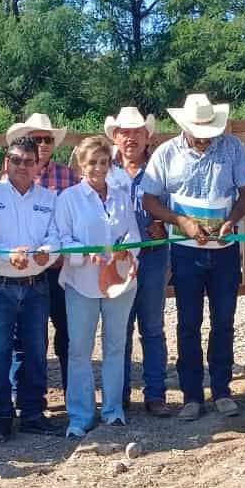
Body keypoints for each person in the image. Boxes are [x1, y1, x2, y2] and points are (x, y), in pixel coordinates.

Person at [142, 93, 245, 421]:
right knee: (188, 323)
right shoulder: (166, 153)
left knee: (224, 321)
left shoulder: (233, 147)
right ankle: (192, 394)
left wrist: (232, 220)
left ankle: (221, 388)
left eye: (209, 130)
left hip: (224, 250)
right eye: (200, 130)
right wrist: (179, 221)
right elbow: (149, 199)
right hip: (184, 251)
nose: (205, 136)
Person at [0, 136, 62, 442]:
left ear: (38, 164)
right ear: (5, 163)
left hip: (36, 285)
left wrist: (46, 252)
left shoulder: (49, 198)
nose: (22, 166)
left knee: (36, 351)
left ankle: (32, 414)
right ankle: (1, 416)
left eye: (28, 161)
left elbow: (57, 237)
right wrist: (8, 253)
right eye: (16, 160)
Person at [55, 136, 140, 437]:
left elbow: (133, 234)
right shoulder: (68, 199)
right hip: (82, 282)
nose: (98, 168)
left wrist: (126, 251)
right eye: (92, 163)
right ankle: (80, 416)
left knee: (116, 346)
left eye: (103, 162)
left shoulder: (121, 195)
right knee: (79, 349)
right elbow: (62, 238)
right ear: (81, 164)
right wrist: (83, 252)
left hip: (119, 282)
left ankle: (113, 410)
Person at [4, 113, 76, 392]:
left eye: (47, 139)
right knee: (23, 337)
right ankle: (24, 396)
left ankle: (72, 392)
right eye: (37, 139)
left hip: (59, 268)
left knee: (66, 332)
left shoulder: (69, 176)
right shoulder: (7, 180)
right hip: (23, 269)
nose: (43, 143)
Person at [106, 106, 171, 417]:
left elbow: (177, 203)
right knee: (120, 326)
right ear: (115, 137)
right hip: (117, 258)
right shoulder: (104, 169)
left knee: (152, 326)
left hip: (155, 254)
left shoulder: (160, 168)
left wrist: (166, 226)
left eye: (136, 132)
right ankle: (119, 394)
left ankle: (155, 393)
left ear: (147, 136)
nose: (130, 138)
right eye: (124, 132)